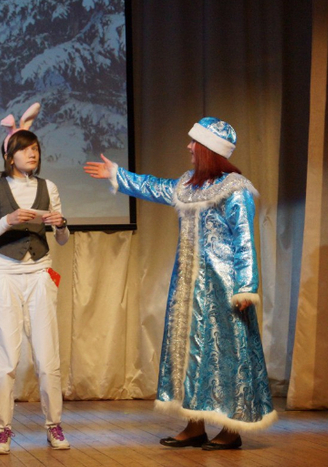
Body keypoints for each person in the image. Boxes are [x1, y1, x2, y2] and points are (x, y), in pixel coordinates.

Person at [84, 117, 277, 450]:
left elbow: (244, 239)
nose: (188, 146)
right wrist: (118, 174)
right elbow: (154, 187)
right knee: (189, 354)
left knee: (226, 354)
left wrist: (246, 286)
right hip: (188, 287)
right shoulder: (189, 184)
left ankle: (230, 429)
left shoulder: (235, 189)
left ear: (208, 149)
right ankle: (194, 425)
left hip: (222, 288)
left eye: (194, 142)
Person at [0, 103, 71, 454]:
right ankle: (3, 429)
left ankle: (54, 425)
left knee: (47, 357)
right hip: (5, 274)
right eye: (25, 148)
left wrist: (60, 225)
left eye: (36, 149)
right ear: (9, 155)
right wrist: (8, 220)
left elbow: (62, 239)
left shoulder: (49, 187)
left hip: (40, 272)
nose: (33, 153)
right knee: (6, 359)